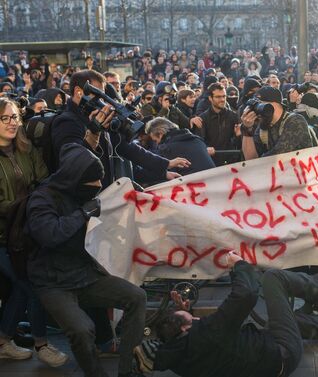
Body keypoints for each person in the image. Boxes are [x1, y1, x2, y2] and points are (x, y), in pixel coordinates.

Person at [26, 143, 146, 377]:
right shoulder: (41, 198)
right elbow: (49, 235)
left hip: (84, 273)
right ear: (76, 179)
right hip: (52, 282)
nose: (98, 186)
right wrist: (82, 214)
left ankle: (127, 371)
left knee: (136, 297)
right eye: (93, 182)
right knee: (82, 330)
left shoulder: (81, 193)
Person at [145, 252, 318, 377]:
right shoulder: (210, 332)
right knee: (272, 278)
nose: (197, 317)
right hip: (282, 353)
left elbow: (186, 342)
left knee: (283, 317)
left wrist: (184, 311)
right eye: (191, 318)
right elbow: (246, 294)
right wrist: (239, 265)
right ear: (185, 328)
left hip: (268, 362)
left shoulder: (178, 361)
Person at [0, 98, 68, 366]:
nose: (12, 123)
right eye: (5, 118)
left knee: (23, 288)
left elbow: (43, 181)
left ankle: (3, 341)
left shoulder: (27, 150)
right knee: (31, 285)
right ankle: (42, 344)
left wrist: (37, 204)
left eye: (15, 117)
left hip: (28, 234)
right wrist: (27, 205)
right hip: (3, 237)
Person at [51, 70, 187, 186]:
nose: (102, 102)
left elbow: (127, 148)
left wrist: (164, 166)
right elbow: (73, 164)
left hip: (106, 193)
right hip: (82, 200)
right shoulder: (66, 122)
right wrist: (94, 131)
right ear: (79, 92)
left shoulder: (99, 118)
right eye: (97, 95)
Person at [240, 86, 312, 159]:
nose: (257, 111)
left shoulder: (296, 121)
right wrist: (247, 129)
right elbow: (250, 160)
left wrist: (257, 164)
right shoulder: (263, 127)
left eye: (260, 105)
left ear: (273, 105)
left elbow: (278, 156)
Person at [145, 117, 215, 176]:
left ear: (160, 134)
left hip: (194, 188)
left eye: (155, 141)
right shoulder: (197, 140)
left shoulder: (166, 149)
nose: (156, 144)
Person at [197, 83, 242, 166]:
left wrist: (238, 136)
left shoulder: (234, 116)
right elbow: (200, 142)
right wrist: (205, 148)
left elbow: (239, 145)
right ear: (210, 98)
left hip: (231, 162)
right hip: (211, 163)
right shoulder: (202, 118)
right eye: (218, 97)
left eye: (224, 96)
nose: (222, 99)